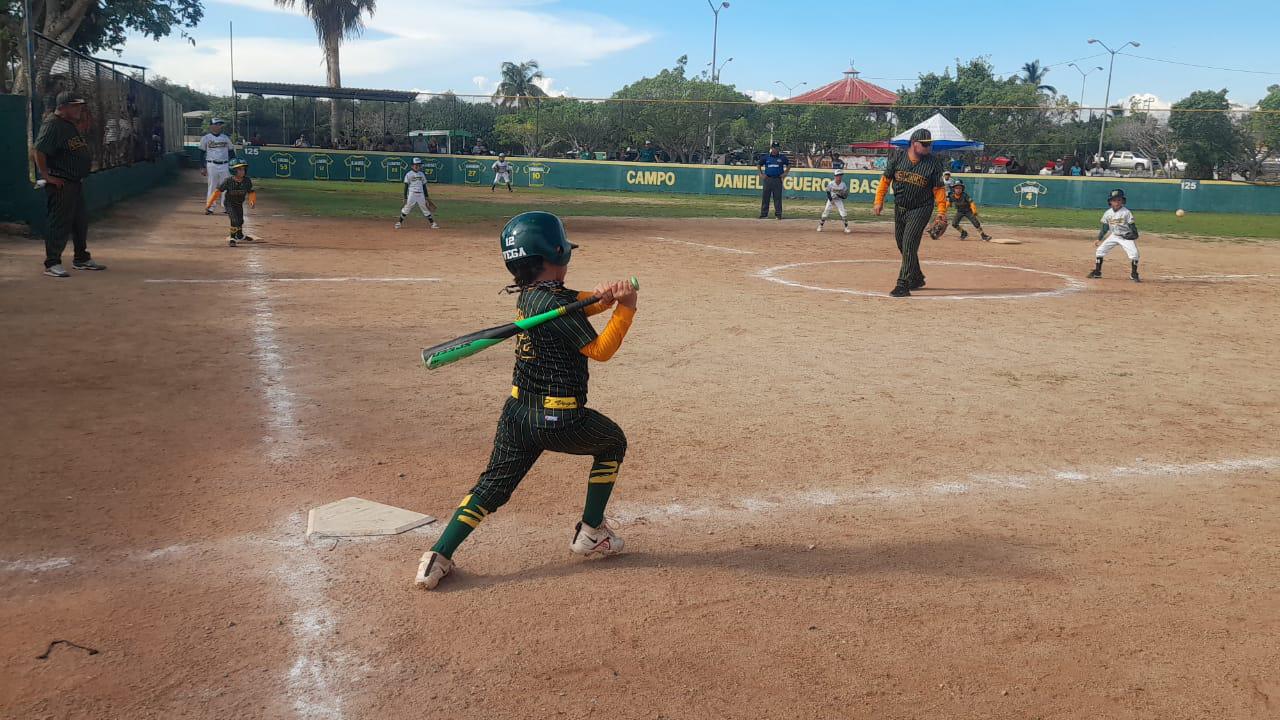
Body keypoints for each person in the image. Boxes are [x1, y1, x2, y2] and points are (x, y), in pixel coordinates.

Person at [414, 212, 638, 590]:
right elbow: (599, 350)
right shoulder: (554, 304)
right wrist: (626, 308)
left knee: (492, 486)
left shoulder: (532, 297)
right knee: (612, 442)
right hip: (561, 419)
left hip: (518, 414)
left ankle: (437, 557)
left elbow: (575, 302)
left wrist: (603, 299)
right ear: (556, 253)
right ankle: (590, 531)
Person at [33, 92, 105, 277]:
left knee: (80, 222)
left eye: (79, 106)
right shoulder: (53, 124)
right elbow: (39, 150)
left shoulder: (68, 125)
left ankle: (81, 258)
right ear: (62, 107)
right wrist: (46, 175)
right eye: (74, 106)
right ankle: (52, 263)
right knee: (59, 223)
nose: (78, 109)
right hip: (61, 182)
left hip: (74, 182)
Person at [872, 128, 948, 297]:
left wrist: (942, 211)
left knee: (908, 244)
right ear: (914, 144)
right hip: (900, 208)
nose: (929, 148)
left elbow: (938, 189)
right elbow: (885, 181)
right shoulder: (898, 158)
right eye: (925, 145)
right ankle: (916, 276)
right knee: (902, 244)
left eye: (930, 145)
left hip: (921, 209)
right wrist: (879, 200)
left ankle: (903, 284)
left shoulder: (933, 163)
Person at [1088, 189, 1141, 282]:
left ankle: (1134, 274)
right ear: (1110, 202)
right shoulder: (1108, 213)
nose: (1117, 202)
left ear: (1123, 201)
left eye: (1119, 200)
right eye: (1114, 200)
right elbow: (1105, 227)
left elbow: (1132, 225)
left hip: (1125, 236)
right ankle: (1097, 272)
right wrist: (1099, 239)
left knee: (1134, 254)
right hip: (1114, 235)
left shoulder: (1126, 212)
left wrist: (1134, 234)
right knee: (1100, 251)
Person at [205, 159, 257, 247]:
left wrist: (252, 201)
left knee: (240, 220)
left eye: (243, 169)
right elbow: (218, 191)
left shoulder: (247, 181)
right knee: (234, 220)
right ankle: (232, 238)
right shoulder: (228, 181)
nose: (242, 171)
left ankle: (240, 235)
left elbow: (251, 192)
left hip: (239, 203)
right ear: (233, 170)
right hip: (229, 203)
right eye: (239, 169)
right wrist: (209, 203)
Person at [199, 118, 235, 214]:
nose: (219, 126)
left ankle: (226, 206)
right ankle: (210, 207)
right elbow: (201, 153)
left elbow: (231, 151)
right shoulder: (206, 138)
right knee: (212, 186)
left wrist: (234, 164)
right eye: (217, 124)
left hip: (225, 164)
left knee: (226, 186)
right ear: (211, 126)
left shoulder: (225, 138)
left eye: (220, 124)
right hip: (211, 164)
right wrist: (202, 166)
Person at [395, 158, 438, 229]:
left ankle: (433, 223)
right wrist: (405, 197)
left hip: (421, 194)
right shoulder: (409, 174)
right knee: (407, 207)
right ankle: (399, 222)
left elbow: (424, 186)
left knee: (425, 208)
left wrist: (427, 196)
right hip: (412, 194)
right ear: (412, 166)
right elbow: (406, 186)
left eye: (419, 165)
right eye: (416, 165)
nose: (417, 166)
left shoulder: (422, 174)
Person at [757, 142, 789, 220]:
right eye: (774, 148)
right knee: (765, 197)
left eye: (777, 148)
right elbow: (759, 164)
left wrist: (785, 173)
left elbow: (789, 165)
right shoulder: (766, 157)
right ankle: (764, 214)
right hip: (768, 179)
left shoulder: (782, 157)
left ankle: (778, 214)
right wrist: (761, 174)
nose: (775, 149)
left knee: (777, 197)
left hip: (777, 179)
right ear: (771, 148)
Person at [817, 168, 851, 234]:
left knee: (843, 212)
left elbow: (845, 196)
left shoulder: (843, 185)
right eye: (838, 175)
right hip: (831, 199)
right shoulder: (831, 183)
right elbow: (828, 192)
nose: (839, 177)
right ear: (835, 176)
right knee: (826, 212)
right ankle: (820, 226)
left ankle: (846, 228)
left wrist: (839, 195)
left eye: (840, 175)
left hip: (838, 200)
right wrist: (831, 200)